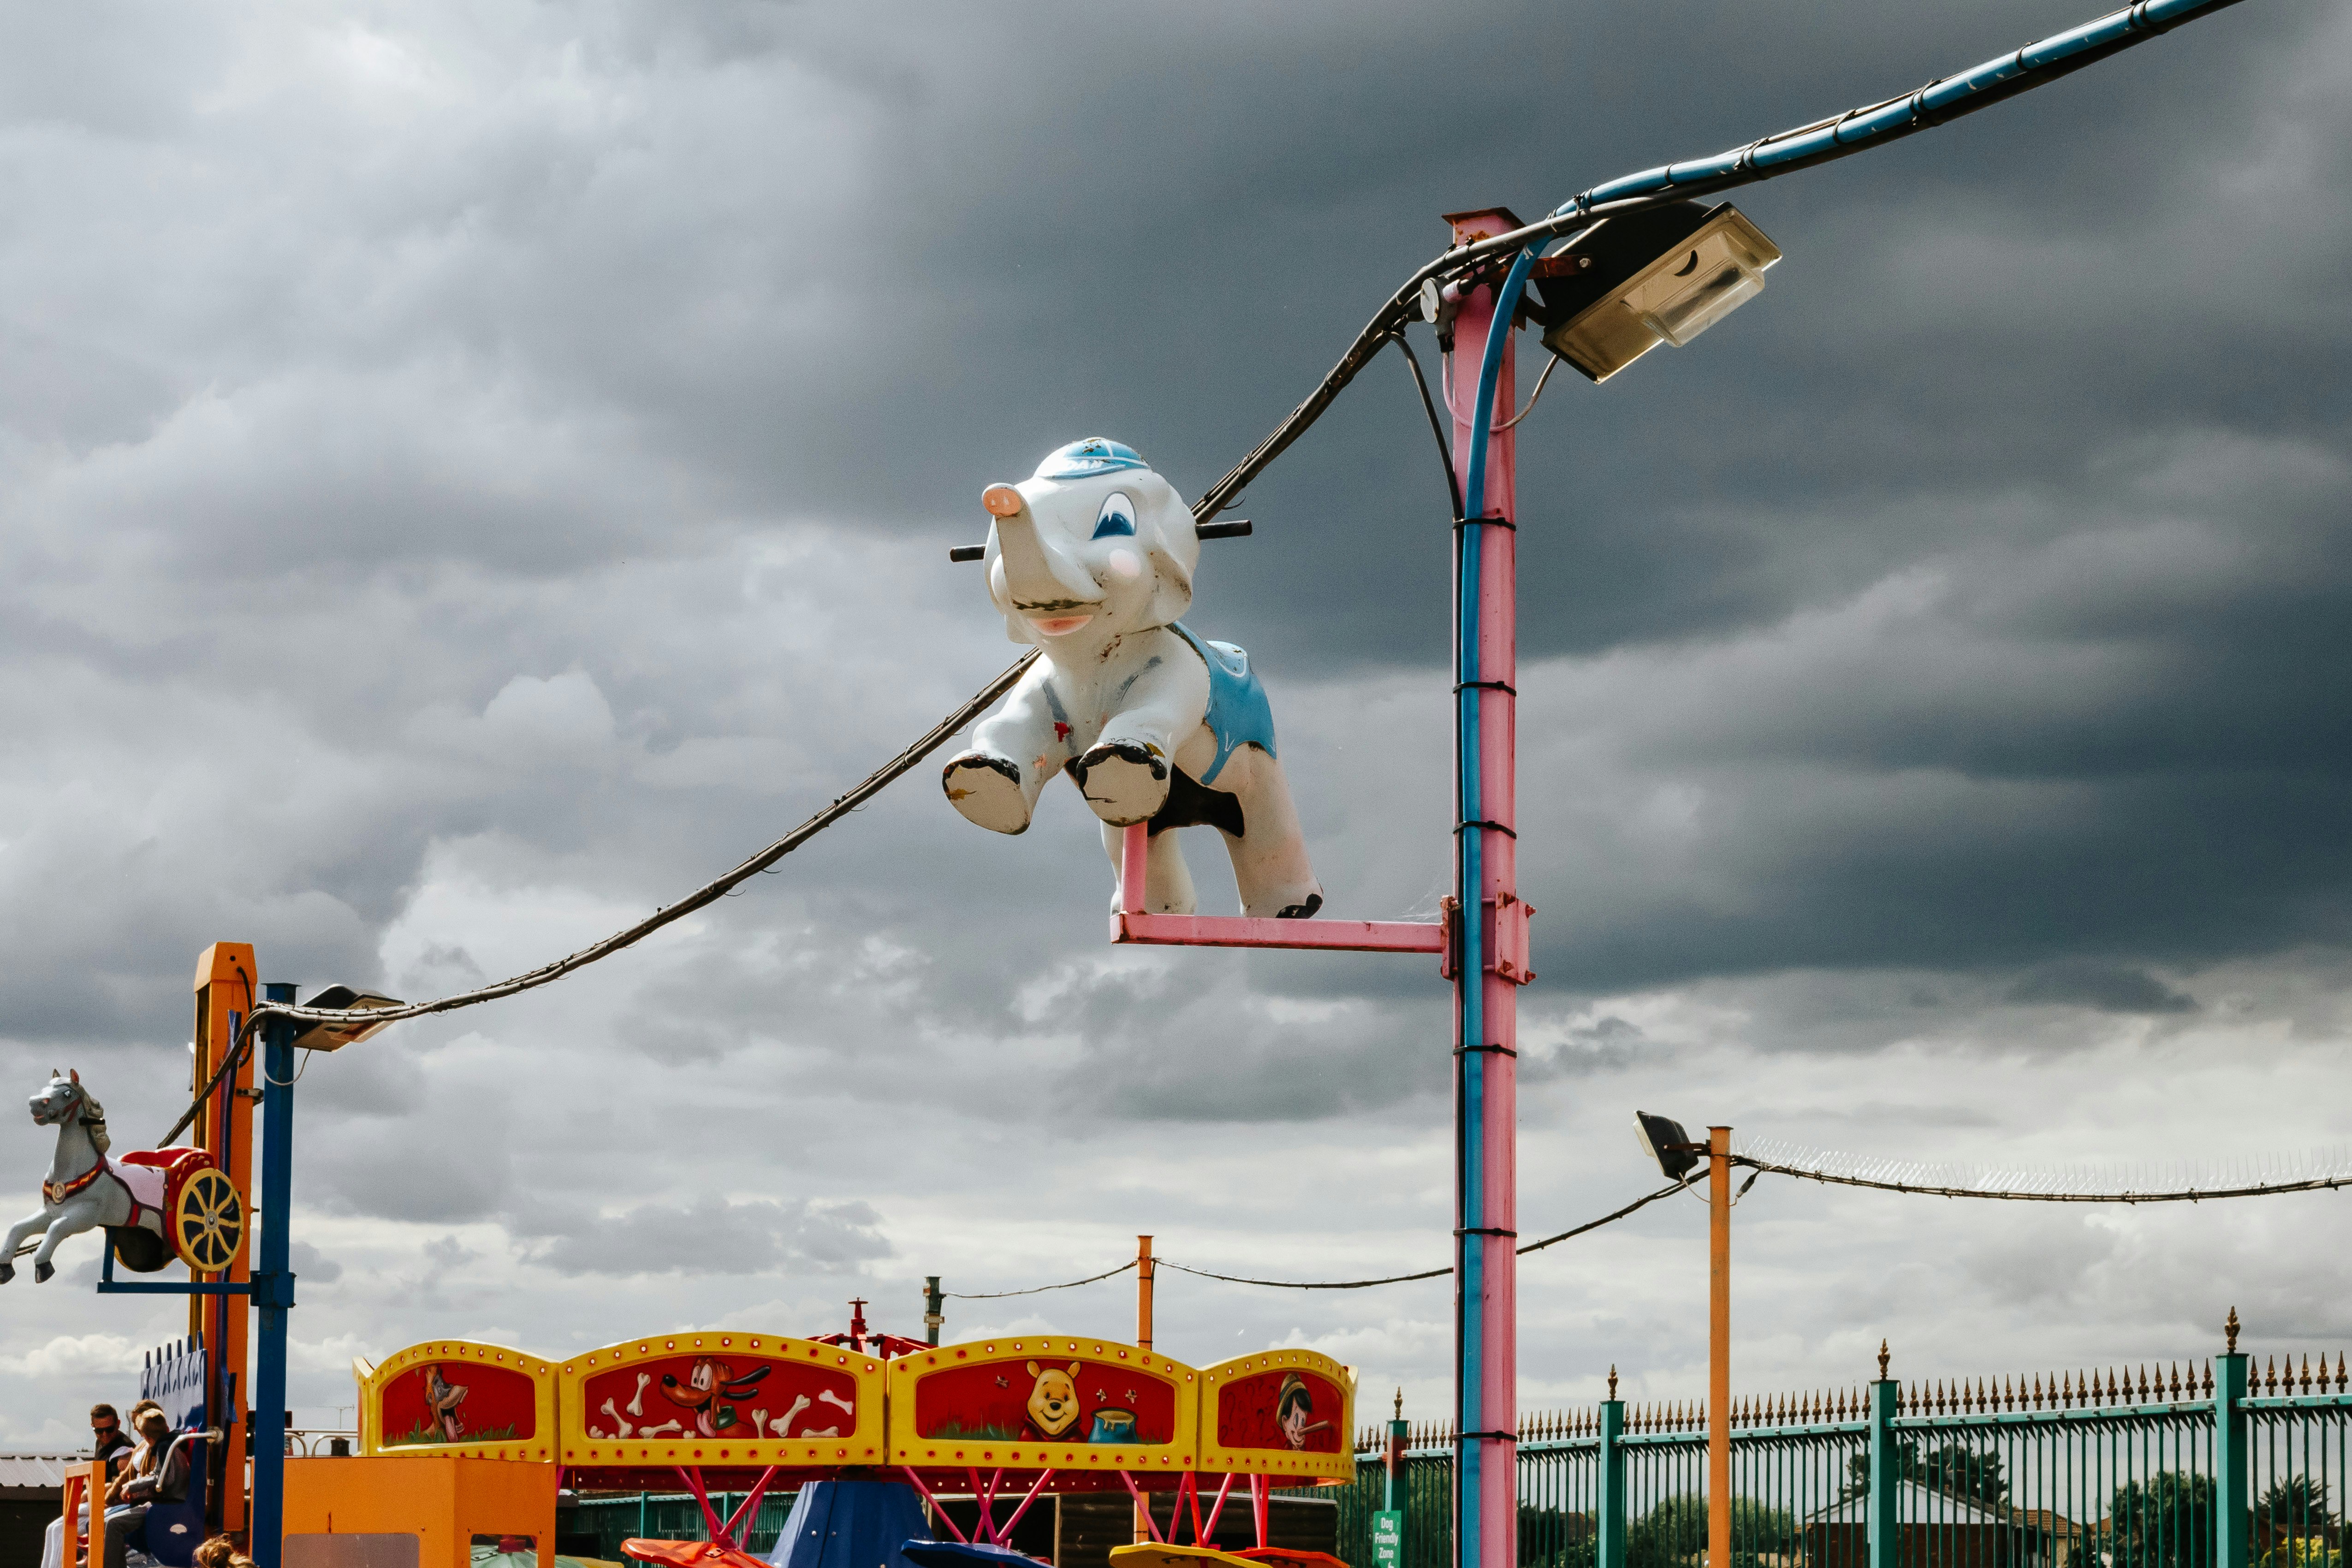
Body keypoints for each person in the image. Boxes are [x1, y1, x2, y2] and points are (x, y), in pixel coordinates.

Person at [102, 1402, 187, 1568]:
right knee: (106, 1522)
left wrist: (132, 1486)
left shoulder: (165, 1448)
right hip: (161, 1502)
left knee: (113, 1524)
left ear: (147, 1437)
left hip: (165, 1505)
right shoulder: (167, 1444)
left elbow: (163, 1479)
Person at [91, 1405, 134, 1475]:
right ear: (93, 1427)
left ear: (118, 1424)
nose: (105, 1435)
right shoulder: (98, 1442)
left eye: (109, 1429)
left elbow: (124, 1481)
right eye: (99, 1431)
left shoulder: (126, 1448)